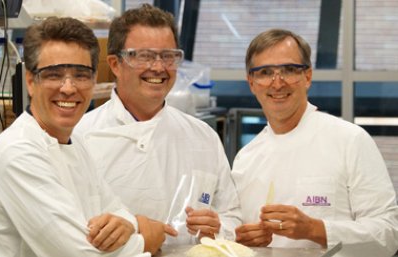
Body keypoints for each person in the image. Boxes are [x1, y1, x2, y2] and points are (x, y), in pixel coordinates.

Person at [0, 17, 173, 257]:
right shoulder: (18, 153)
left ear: (93, 80)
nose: (68, 88)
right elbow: (80, 254)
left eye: (81, 75)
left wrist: (131, 223)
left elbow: (116, 209)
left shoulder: (74, 142)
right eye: (54, 75)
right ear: (30, 81)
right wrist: (147, 239)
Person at [74, 4, 242, 243]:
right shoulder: (80, 136)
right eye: (144, 56)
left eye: (168, 56)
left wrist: (218, 227)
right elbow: (65, 227)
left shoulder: (203, 137)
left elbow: (233, 216)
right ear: (114, 64)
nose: (159, 67)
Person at [231, 28, 398, 256]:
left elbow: (388, 233)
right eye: (265, 72)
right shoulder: (245, 159)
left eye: (289, 70)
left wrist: (315, 230)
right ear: (252, 82)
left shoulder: (350, 140)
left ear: (307, 76)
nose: (277, 83)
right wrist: (242, 239)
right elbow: (239, 237)